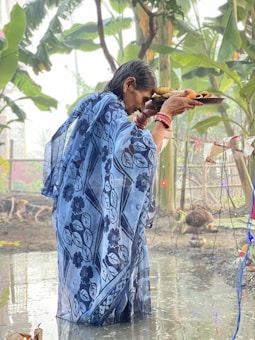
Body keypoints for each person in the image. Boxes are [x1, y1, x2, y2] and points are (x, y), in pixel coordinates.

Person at [41, 59, 202, 326]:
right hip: (86, 217)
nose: (143, 103)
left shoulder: (98, 104)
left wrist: (147, 115)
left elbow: (119, 148)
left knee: (86, 287)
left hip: (76, 214)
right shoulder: (109, 108)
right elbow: (139, 153)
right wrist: (166, 115)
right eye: (143, 97)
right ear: (129, 84)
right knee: (102, 284)